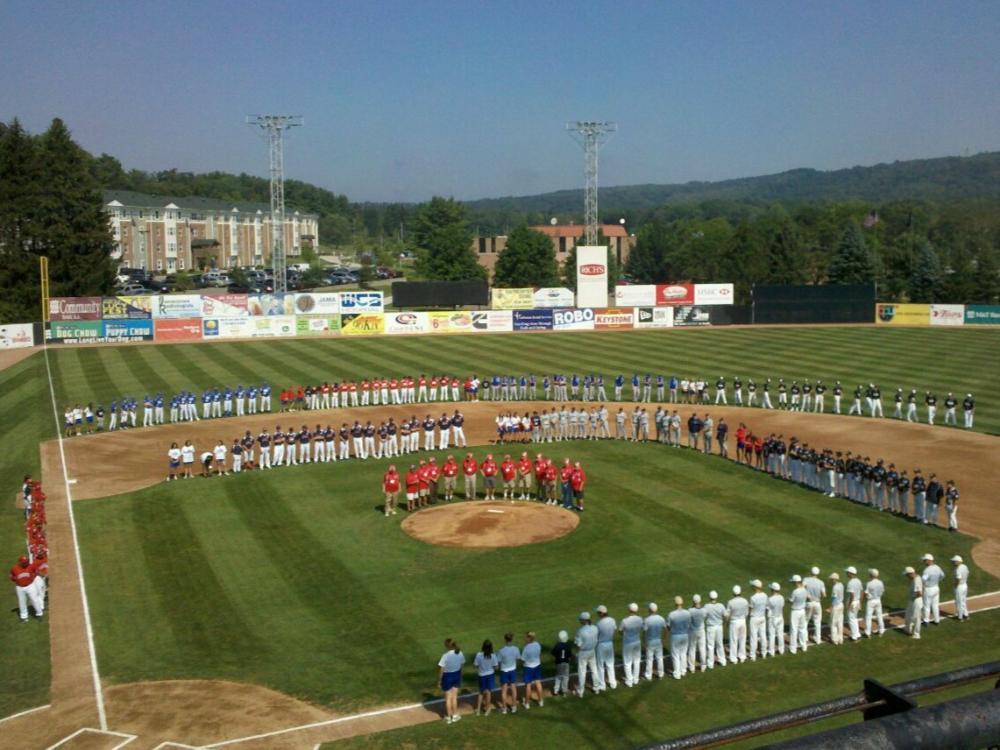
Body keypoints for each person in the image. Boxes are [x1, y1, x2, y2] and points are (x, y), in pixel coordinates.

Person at [438, 639, 465, 724]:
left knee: (448, 698)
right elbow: (461, 665)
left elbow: (442, 669)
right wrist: (460, 675)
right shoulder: (460, 653)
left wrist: (439, 680)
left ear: (447, 646)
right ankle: (455, 715)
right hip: (456, 675)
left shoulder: (445, 655)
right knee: (454, 697)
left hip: (447, 677)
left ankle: (449, 718)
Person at [10, 555, 44, 622]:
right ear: (20, 562)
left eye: (26, 562)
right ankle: (24, 617)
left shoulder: (31, 566)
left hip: (30, 586)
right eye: (24, 562)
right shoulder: (14, 568)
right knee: (22, 601)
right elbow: (11, 576)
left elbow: (36, 571)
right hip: (19, 587)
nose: (26, 563)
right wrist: (14, 579)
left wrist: (33, 577)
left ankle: (39, 614)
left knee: (35, 599)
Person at [574, 612, 600, 696]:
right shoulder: (595, 628)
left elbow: (578, 644)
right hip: (592, 651)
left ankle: (580, 691)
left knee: (582, 672)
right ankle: (596, 688)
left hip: (583, 653)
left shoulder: (580, 631)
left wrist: (576, 654)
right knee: (594, 670)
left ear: (583, 620)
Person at [619, 603, 644, 687]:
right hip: (637, 642)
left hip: (628, 643)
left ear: (629, 610)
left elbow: (620, 631)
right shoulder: (640, 619)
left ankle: (629, 681)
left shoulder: (625, 620)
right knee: (637, 661)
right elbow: (642, 628)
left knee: (627, 662)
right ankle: (635, 679)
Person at [667, 596, 691, 679]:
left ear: (675, 603)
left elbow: (668, 627)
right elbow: (689, 625)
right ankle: (683, 670)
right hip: (685, 635)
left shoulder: (671, 614)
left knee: (676, 655)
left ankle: (677, 673)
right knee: (683, 653)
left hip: (675, 636)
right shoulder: (687, 613)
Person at [594, 605, 617, 691]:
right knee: (610, 664)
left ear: (601, 613)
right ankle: (613, 683)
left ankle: (602, 685)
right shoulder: (612, 620)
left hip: (601, 645)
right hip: (610, 644)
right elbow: (614, 629)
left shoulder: (599, 623)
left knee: (600, 666)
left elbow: (596, 635)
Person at [497, 633, 520, 714]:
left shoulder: (501, 650)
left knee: (504, 690)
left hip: (504, 671)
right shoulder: (516, 649)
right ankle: (514, 707)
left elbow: (498, 662)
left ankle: (504, 709)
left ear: (505, 639)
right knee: (513, 689)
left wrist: (500, 669)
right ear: (512, 639)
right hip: (513, 670)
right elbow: (517, 659)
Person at [473, 640, 498, 716]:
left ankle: (478, 710)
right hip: (490, 675)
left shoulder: (479, 655)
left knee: (481, 692)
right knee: (488, 692)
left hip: (481, 675)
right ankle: (487, 710)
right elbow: (496, 667)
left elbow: (475, 665)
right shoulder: (493, 655)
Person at [703, 590, 727, 668]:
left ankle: (710, 664)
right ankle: (723, 661)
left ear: (710, 597)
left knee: (710, 645)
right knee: (720, 644)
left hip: (711, 628)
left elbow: (704, 616)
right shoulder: (721, 605)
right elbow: (725, 615)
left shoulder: (706, 606)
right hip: (719, 627)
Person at [725, 585, 748, 664]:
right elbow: (746, 613)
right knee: (742, 639)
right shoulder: (745, 601)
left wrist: (726, 623)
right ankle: (742, 657)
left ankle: (734, 658)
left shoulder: (730, 602)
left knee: (733, 640)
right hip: (743, 621)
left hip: (734, 622)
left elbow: (727, 615)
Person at [644, 602, 667, 679]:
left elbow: (644, 632)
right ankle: (661, 673)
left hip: (650, 641)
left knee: (649, 659)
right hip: (658, 641)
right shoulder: (661, 618)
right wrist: (664, 639)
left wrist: (645, 642)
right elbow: (665, 629)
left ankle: (648, 675)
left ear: (650, 610)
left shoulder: (647, 620)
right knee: (659, 658)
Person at [803, 566, 826, 645]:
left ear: (811, 572)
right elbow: (824, 595)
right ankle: (818, 639)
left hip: (809, 603)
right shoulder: (821, 582)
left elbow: (802, 589)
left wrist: (807, 595)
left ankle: (805, 638)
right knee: (817, 621)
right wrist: (820, 599)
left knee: (805, 621)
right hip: (817, 603)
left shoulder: (806, 580)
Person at [521, 632, 544, 708]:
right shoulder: (537, 644)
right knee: (538, 683)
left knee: (528, 685)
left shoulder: (526, 648)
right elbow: (540, 655)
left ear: (529, 638)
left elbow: (523, 660)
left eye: (526, 637)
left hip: (528, 668)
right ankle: (541, 701)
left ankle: (527, 703)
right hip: (537, 666)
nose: (524, 638)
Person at [921, 553, 945, 626]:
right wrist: (937, 581)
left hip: (928, 589)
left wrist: (922, 587)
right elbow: (942, 575)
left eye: (925, 560)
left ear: (929, 560)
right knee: (935, 605)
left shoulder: (927, 570)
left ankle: (926, 620)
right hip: (936, 587)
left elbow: (923, 580)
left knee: (927, 606)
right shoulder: (938, 567)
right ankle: (937, 620)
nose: (924, 562)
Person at [748, 580, 768, 661]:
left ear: (755, 587)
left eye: (753, 586)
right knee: (763, 635)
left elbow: (750, 609)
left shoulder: (753, 598)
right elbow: (766, 607)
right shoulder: (765, 595)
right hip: (762, 617)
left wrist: (749, 616)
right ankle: (764, 653)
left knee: (754, 637)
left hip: (754, 618)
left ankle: (753, 655)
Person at [686, 594, 707, 674]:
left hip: (693, 632)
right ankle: (703, 667)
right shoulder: (704, 610)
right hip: (701, 631)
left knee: (692, 649)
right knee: (702, 648)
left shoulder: (690, 610)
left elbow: (688, 620)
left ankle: (692, 668)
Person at [788, 575, 808, 654]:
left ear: (796, 582)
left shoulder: (795, 591)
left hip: (795, 611)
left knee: (794, 629)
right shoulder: (804, 590)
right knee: (802, 629)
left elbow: (791, 600)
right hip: (802, 611)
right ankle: (804, 646)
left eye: (793, 582)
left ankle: (793, 649)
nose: (792, 583)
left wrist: (788, 600)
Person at [863, 569, 885, 637]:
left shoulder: (869, 583)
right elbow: (882, 591)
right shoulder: (881, 582)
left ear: (871, 575)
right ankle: (881, 630)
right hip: (878, 600)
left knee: (868, 617)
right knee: (879, 616)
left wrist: (867, 597)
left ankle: (868, 632)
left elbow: (866, 593)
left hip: (871, 602)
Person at [551, 630, 572, 696]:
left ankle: (555, 691)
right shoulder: (568, 646)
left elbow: (553, 653)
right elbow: (569, 655)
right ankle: (564, 691)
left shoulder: (557, 645)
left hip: (558, 663)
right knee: (565, 677)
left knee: (558, 677)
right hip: (566, 663)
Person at [904, 566, 923, 639]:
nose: (906, 577)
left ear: (910, 574)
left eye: (907, 575)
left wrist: (912, 597)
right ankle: (907, 629)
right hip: (912, 600)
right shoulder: (915, 579)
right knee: (908, 614)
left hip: (916, 601)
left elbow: (919, 593)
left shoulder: (916, 580)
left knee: (916, 618)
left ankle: (916, 634)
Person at [766, 582, 785, 657]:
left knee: (772, 635)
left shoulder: (770, 599)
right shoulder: (782, 597)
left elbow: (767, 609)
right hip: (780, 617)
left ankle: (771, 651)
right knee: (780, 634)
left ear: (773, 589)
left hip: (773, 618)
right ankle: (781, 650)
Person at [828, 572, 845, 645]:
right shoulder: (841, 585)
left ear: (834, 579)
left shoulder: (835, 587)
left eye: (831, 579)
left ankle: (834, 640)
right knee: (840, 623)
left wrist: (830, 608)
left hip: (836, 606)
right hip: (841, 605)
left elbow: (834, 598)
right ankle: (840, 639)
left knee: (833, 623)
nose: (831, 580)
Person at [952, 555, 970, 621]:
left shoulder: (958, 570)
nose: (953, 562)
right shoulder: (964, 566)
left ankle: (960, 617)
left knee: (958, 602)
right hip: (965, 585)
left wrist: (955, 586)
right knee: (963, 601)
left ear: (958, 562)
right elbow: (968, 573)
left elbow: (958, 579)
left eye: (954, 561)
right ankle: (966, 615)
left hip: (959, 586)